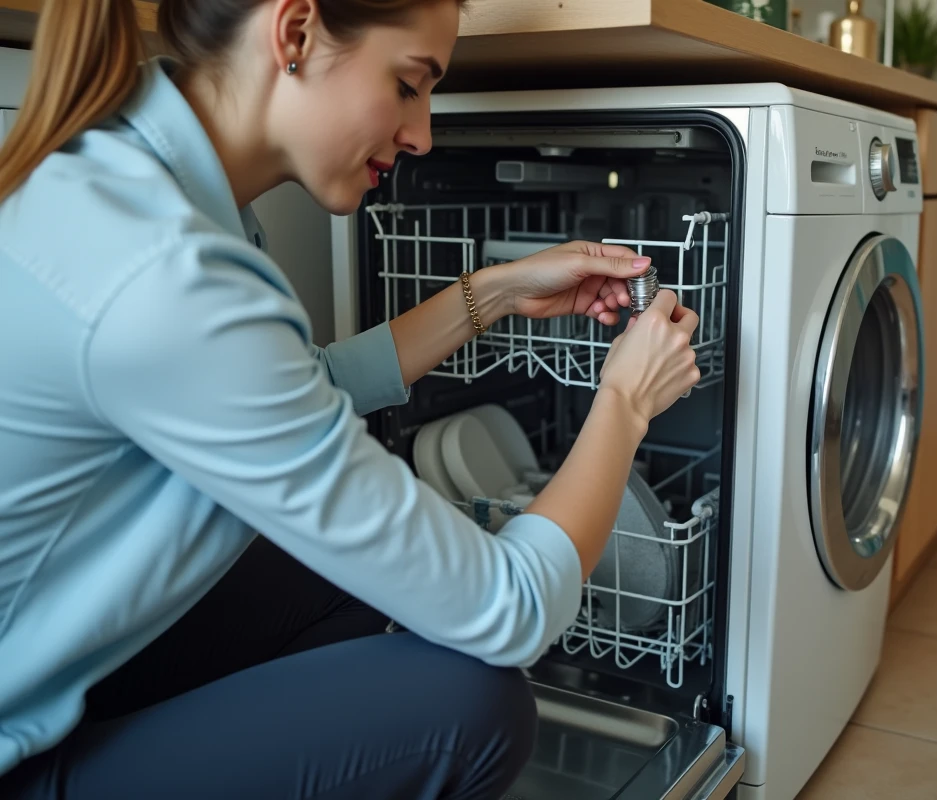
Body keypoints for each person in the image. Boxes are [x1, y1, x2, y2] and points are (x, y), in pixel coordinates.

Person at [0, 0, 702, 796]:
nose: (423, 135)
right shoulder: (165, 274)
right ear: (294, 32)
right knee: (470, 705)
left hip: (48, 676)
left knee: (337, 573)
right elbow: (512, 611)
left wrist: (494, 293)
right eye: (409, 84)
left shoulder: (138, 182)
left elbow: (288, 394)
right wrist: (625, 401)